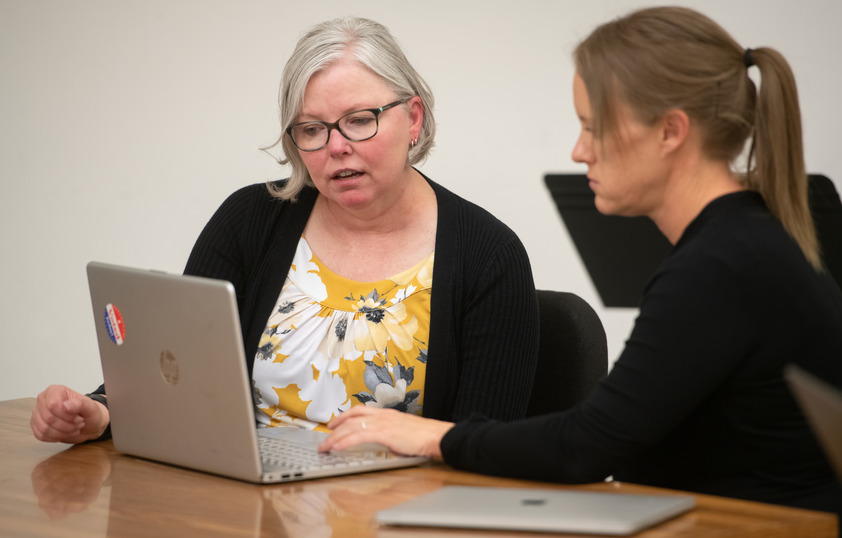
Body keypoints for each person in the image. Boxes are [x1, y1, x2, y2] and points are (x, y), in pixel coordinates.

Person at [320, 6, 842, 518]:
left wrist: (435, 435)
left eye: (593, 128)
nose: (578, 151)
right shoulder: (744, 239)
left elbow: (588, 445)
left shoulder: (719, 266)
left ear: (670, 131)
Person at [30, 17, 539, 443]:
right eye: (312, 130)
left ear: (413, 118)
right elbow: (177, 365)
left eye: (359, 120)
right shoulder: (252, 219)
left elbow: (489, 449)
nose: (336, 147)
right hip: (242, 497)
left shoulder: (488, 255)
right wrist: (101, 411)